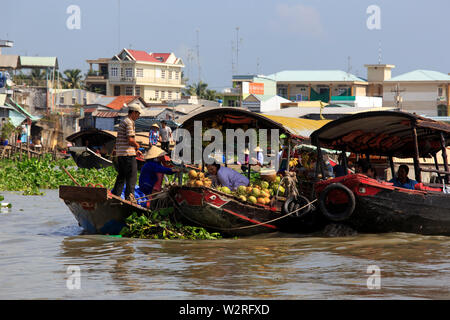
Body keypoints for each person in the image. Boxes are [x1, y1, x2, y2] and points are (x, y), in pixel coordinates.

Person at [111, 103, 143, 203]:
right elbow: (130, 140)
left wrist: (135, 150)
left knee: (122, 176)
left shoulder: (123, 121)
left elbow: (122, 141)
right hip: (127, 155)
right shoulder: (129, 122)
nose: (138, 116)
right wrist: (137, 146)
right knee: (132, 176)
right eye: (138, 114)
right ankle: (130, 197)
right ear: (133, 112)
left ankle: (115, 196)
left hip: (121, 154)